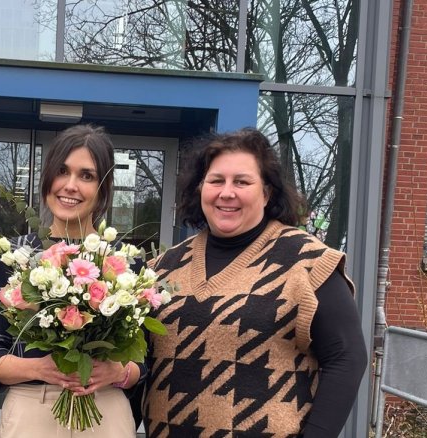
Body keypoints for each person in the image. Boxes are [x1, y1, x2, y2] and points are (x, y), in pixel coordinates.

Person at [145, 129, 367, 437]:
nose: (227, 192)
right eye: (216, 180)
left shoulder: (307, 263)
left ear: (267, 193)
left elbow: (347, 358)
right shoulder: (162, 269)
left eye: (242, 182)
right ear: (200, 189)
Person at [0, 124, 144, 437]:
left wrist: (119, 373)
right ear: (48, 178)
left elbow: (147, 358)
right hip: (30, 411)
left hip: (104, 411)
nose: (70, 185)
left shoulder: (125, 262)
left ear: (103, 189)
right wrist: (39, 368)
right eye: (62, 171)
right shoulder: (14, 256)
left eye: (87, 176)